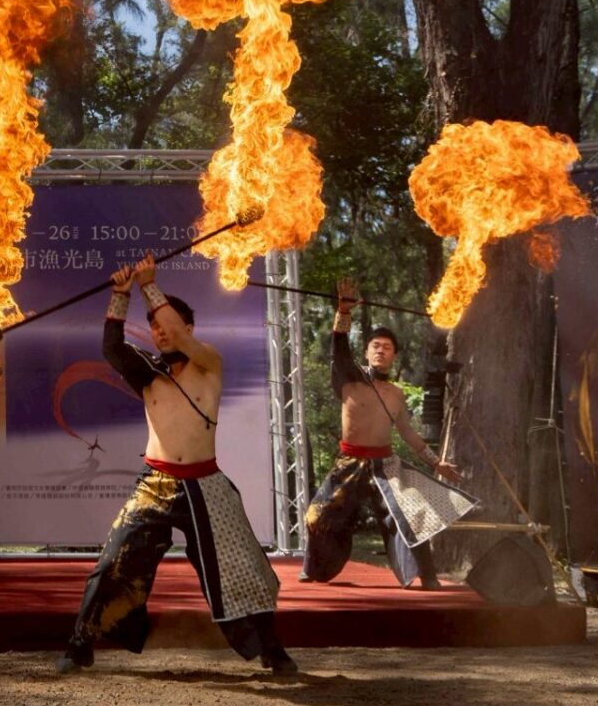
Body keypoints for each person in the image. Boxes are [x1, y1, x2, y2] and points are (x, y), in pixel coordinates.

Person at [58, 254, 295, 675]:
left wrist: (150, 287)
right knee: (113, 561)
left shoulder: (208, 365)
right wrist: (121, 293)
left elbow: (179, 336)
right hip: (156, 482)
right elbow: (112, 348)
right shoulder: (149, 374)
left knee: (242, 568)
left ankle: (272, 649)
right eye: (154, 327)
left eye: (167, 325)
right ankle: (80, 644)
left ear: (188, 330)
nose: (160, 332)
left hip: (206, 484)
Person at [300, 279, 472, 588]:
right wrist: (343, 311)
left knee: (411, 515)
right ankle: (313, 569)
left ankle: (428, 577)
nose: (381, 350)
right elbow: (339, 348)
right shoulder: (347, 381)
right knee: (317, 515)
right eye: (375, 346)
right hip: (348, 464)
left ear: (393, 356)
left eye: (387, 347)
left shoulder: (395, 394)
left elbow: (407, 433)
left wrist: (436, 463)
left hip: (385, 465)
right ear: (366, 352)